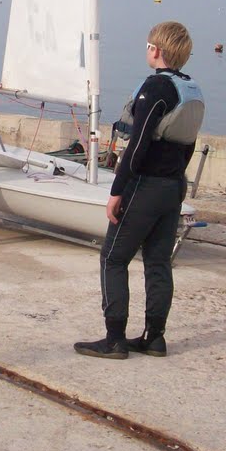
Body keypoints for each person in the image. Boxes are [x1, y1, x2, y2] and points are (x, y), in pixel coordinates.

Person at [74, 21, 205, 360]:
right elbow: (188, 146)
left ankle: (115, 339)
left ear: (157, 50)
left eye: (148, 45)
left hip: (145, 186)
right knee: (158, 262)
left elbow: (138, 146)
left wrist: (117, 191)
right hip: (173, 186)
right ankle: (154, 338)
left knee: (113, 258)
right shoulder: (191, 90)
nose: (146, 50)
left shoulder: (155, 88)